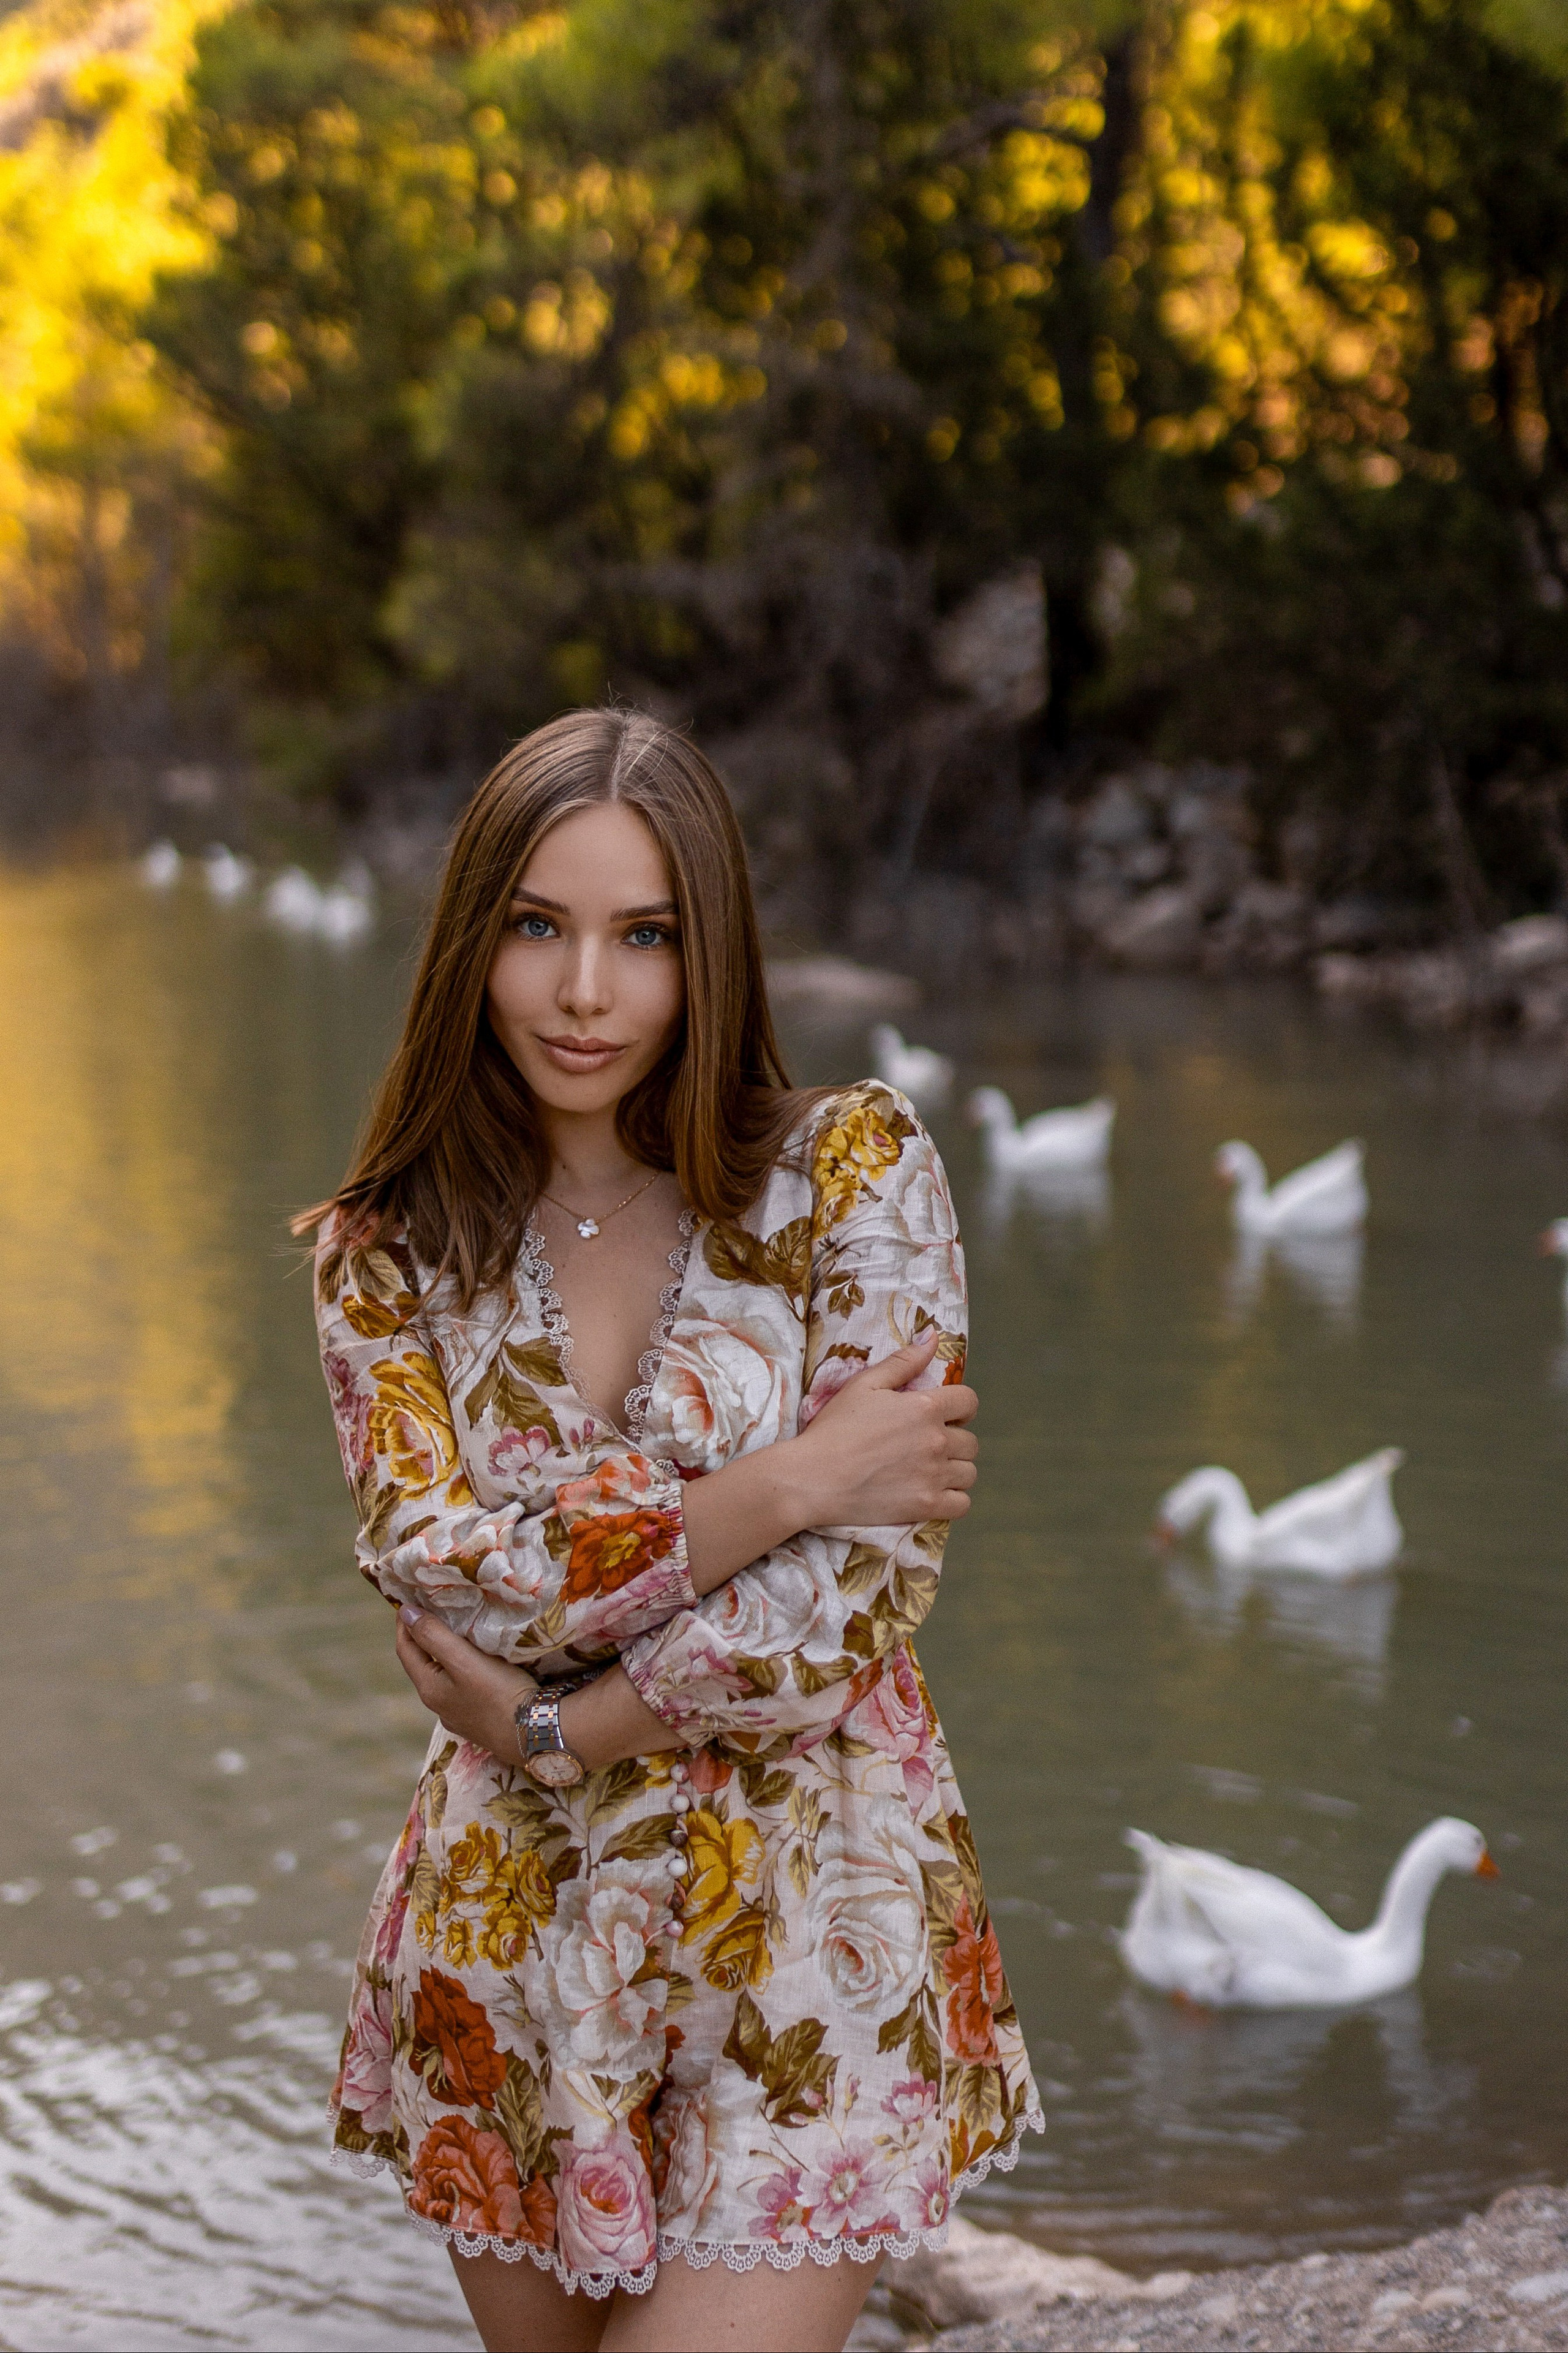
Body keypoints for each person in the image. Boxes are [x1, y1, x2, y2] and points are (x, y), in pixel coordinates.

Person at [300, 708, 1042, 2353]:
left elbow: (858, 1599)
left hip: (811, 1926)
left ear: (711, 951)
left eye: (645, 936)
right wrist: (791, 1482)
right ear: (469, 941)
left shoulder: (855, 1175)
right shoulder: (385, 1258)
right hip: (513, 1934)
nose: (586, 992)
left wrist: (560, 1720)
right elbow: (453, 1574)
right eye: (538, 927)